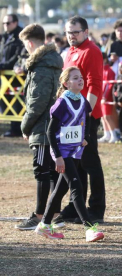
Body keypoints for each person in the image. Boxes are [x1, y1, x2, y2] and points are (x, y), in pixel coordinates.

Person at [35, 66, 104, 242]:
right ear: (66, 84)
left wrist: (86, 136)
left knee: (60, 190)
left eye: (81, 77)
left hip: (75, 150)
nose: (80, 80)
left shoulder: (82, 100)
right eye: (75, 78)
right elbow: (50, 132)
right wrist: (57, 156)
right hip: (62, 151)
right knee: (76, 186)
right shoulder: (62, 102)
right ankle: (89, 229)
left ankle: (44, 225)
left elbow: (88, 118)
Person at [14, 24, 63, 230]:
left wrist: (25, 125)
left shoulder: (41, 66)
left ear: (31, 42)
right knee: (51, 171)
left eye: (26, 44)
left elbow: (37, 101)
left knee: (42, 171)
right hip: (51, 125)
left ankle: (40, 214)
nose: (25, 49)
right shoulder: (51, 62)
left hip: (43, 127)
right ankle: (54, 213)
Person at [60, 16, 106, 224]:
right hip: (72, 116)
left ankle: (96, 209)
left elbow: (95, 84)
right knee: (75, 163)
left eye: (75, 32)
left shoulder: (92, 51)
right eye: (69, 32)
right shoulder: (70, 52)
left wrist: (84, 114)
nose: (71, 36)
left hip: (86, 116)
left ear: (86, 32)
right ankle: (74, 206)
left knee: (89, 162)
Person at [0, 14, 24, 137]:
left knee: (16, 102)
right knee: (5, 101)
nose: (5, 25)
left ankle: (16, 129)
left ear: (15, 22)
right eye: (4, 23)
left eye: (8, 23)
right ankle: (12, 127)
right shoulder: (5, 37)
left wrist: (4, 66)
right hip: (6, 76)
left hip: (16, 76)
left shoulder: (20, 36)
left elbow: (18, 56)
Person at [98, 53, 120, 143]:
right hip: (102, 97)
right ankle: (107, 134)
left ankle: (114, 135)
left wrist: (105, 96)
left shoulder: (109, 71)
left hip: (107, 97)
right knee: (103, 116)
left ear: (105, 59)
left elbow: (109, 85)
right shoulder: (100, 70)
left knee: (107, 116)